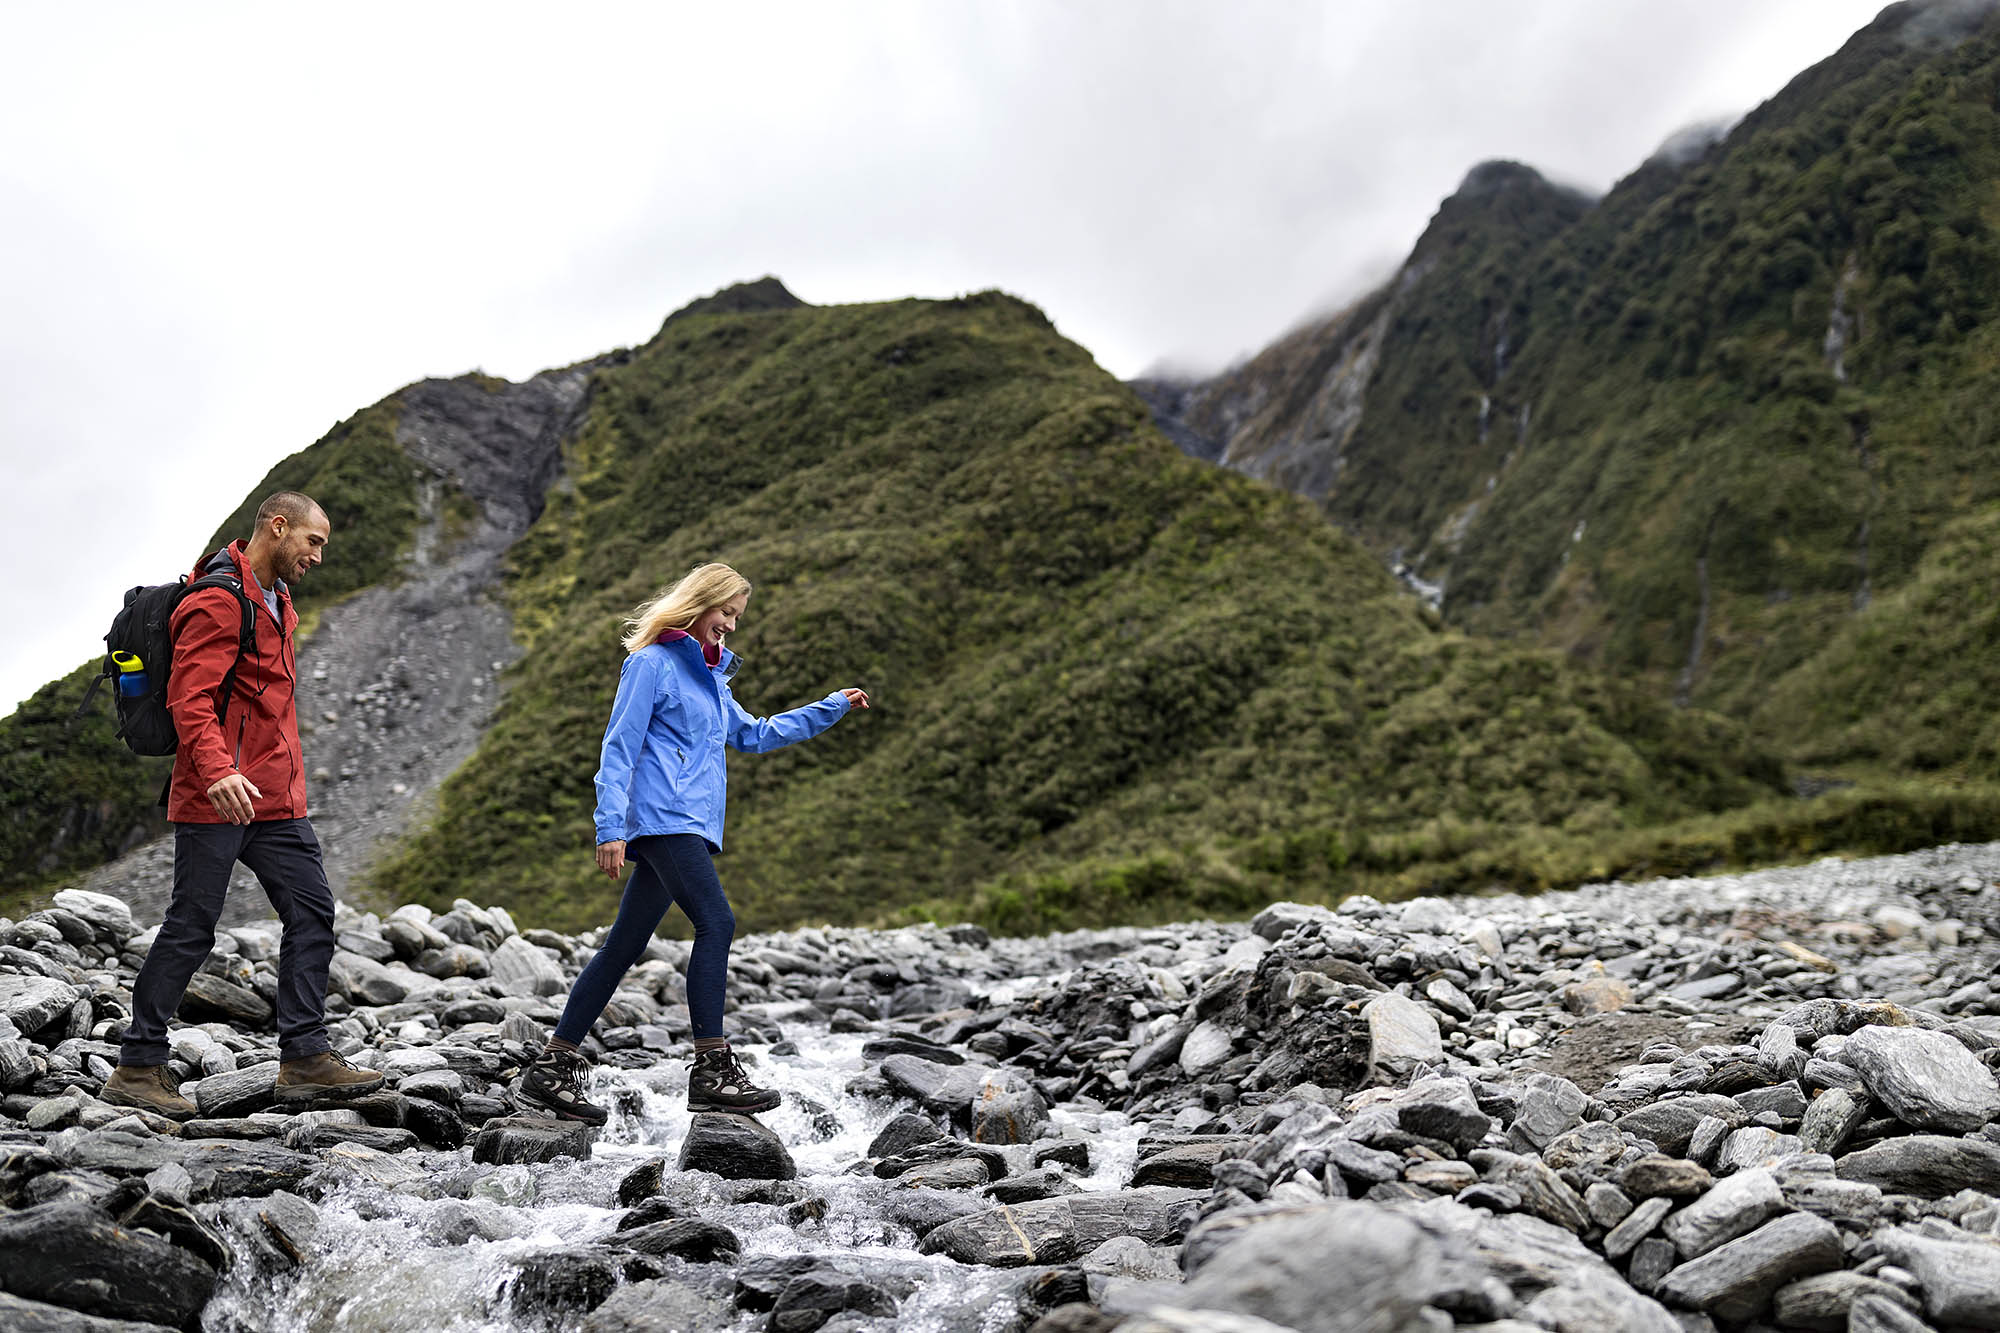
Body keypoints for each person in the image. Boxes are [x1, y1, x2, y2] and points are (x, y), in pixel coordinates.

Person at [517, 562, 868, 1123]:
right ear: (699, 604)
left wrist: (831, 707)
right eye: (726, 612)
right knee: (717, 922)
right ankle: (711, 1070)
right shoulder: (650, 664)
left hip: (690, 825)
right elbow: (619, 747)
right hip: (664, 819)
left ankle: (551, 1069)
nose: (731, 625)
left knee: (624, 946)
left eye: (737, 617)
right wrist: (610, 827)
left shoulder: (711, 681)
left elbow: (754, 735)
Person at [100, 492, 384, 1117]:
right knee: (192, 926)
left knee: (313, 912)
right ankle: (138, 1066)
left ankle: (304, 1057)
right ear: (277, 528)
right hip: (217, 797)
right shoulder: (219, 602)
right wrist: (218, 772)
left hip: (276, 799)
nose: (317, 556)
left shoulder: (277, 601)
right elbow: (189, 698)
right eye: (312, 541)